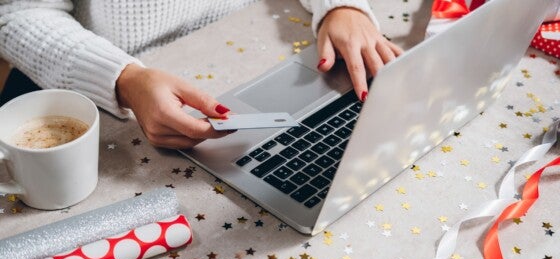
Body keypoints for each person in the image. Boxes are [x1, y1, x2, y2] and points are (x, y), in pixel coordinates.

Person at [0, 0, 402, 149]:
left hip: (261, 41)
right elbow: (14, 14)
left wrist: (341, 6)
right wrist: (123, 78)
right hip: (112, 81)